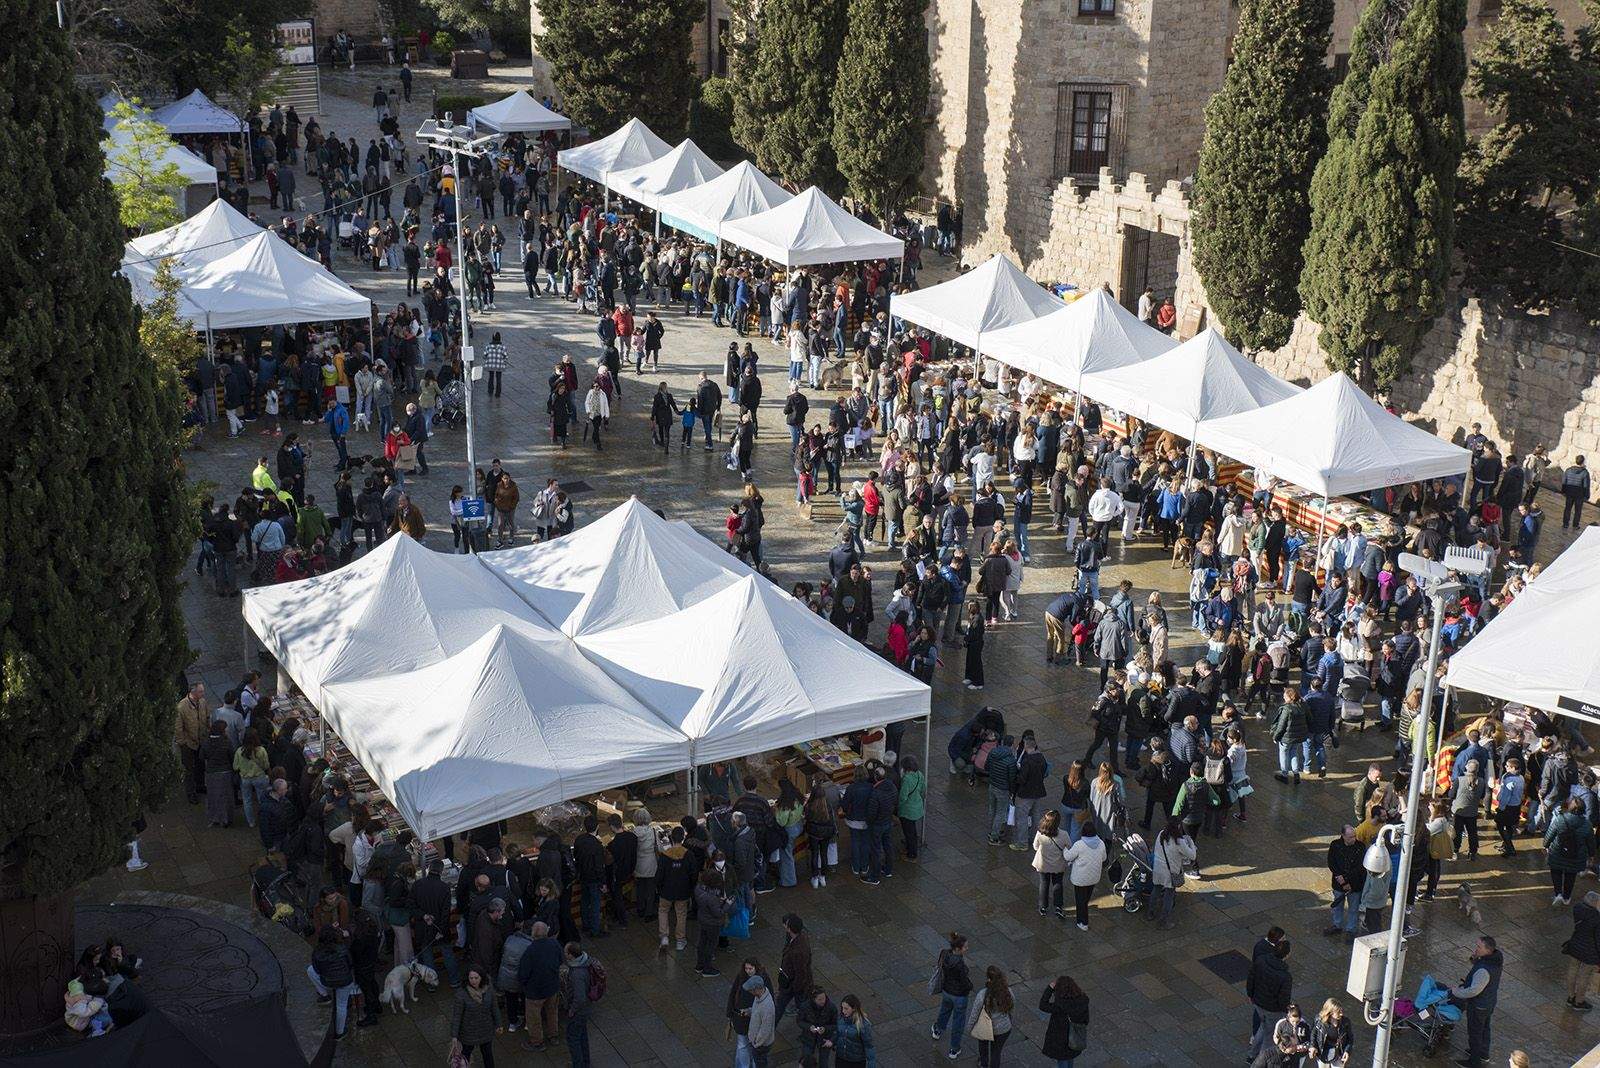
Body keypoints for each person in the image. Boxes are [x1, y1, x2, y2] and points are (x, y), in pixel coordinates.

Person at [1449, 936, 1503, 1068]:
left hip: (1478, 1005)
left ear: (1488, 950)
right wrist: (1476, 959)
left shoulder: (1484, 970)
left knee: (1475, 1033)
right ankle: (1483, 1053)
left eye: (1479, 947)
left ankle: (1474, 1062)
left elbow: (1474, 990)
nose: (1476, 948)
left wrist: (1456, 992)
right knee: (1485, 1028)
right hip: (1489, 1002)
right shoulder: (1495, 959)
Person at [1246, 930, 1293, 1061]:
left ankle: (1251, 1055)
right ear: (1287, 955)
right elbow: (1284, 998)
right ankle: (1260, 1061)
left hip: (1258, 1002)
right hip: (1273, 1009)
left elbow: (1251, 978)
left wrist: (1250, 994)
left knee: (1263, 1027)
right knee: (1269, 1036)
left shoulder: (1261, 960)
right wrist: (1286, 1010)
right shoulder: (1285, 976)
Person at [930, 932, 973, 1059]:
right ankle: (954, 1049)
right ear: (958, 949)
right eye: (965, 947)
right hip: (959, 996)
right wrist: (970, 986)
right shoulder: (960, 965)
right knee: (958, 1022)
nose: (967, 948)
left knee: (944, 1010)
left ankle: (937, 1030)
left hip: (947, 991)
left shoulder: (945, 954)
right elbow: (964, 982)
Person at [964, 965, 1013, 1067]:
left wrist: (970, 1028)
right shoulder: (1008, 992)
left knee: (983, 1048)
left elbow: (975, 1014)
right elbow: (1012, 1007)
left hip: (985, 1026)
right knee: (996, 1053)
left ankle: (983, 1064)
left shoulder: (982, 994)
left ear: (989, 979)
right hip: (1004, 1029)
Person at [1546, 797, 1593, 905]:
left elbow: (1550, 834)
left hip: (1558, 851)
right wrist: (1591, 855)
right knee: (1571, 875)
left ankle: (1558, 894)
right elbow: (1591, 842)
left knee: (1556, 871)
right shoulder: (1587, 824)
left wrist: (1546, 845)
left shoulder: (1560, 819)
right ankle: (1566, 898)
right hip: (1576, 855)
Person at [1062, 824, 1107, 931]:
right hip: (1094, 877)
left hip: (1080, 878)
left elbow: (1068, 857)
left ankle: (1083, 922)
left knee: (1080, 900)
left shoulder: (1079, 845)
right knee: (1085, 898)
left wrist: (1064, 848)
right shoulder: (1101, 843)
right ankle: (1083, 913)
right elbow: (1104, 858)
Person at [1039, 975, 1090, 1067]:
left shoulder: (1059, 1006)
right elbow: (1086, 1019)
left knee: (1063, 1059)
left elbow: (1043, 1005)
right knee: (1070, 1057)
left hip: (1060, 1038)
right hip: (1075, 1035)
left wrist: (1049, 988)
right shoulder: (1083, 1000)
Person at [1562, 892, 1600, 1010]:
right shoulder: (1597, 917)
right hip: (1590, 951)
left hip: (1575, 944)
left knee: (1572, 969)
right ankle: (1579, 1001)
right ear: (1594, 903)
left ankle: (1571, 997)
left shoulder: (1577, 908)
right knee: (1585, 976)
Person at [1032, 809, 1072, 920]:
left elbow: (1035, 847)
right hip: (1058, 865)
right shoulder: (1063, 834)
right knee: (1057, 883)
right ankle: (1058, 906)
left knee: (1044, 884)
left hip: (1043, 865)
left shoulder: (1040, 833)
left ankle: (1043, 907)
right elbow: (1069, 847)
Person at [561, 942, 596, 1067]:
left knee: (573, 1038)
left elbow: (580, 998)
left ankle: (578, 1064)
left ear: (571, 955)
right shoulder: (585, 962)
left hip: (578, 1012)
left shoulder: (577, 974)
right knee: (582, 1036)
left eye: (566, 952)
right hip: (586, 1008)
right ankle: (585, 1063)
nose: (564, 954)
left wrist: (572, 1010)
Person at [798, 987, 838, 1068]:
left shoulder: (831, 1008)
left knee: (823, 1063)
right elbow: (799, 1021)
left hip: (824, 1038)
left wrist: (825, 1029)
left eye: (824, 998)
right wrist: (809, 1027)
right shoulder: (805, 1007)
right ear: (814, 999)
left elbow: (836, 1025)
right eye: (820, 999)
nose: (823, 1001)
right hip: (809, 1038)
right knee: (806, 1062)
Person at [833, 994, 876, 1068]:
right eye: (842, 1008)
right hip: (841, 1058)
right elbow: (837, 1033)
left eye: (846, 1008)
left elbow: (868, 1046)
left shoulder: (863, 1025)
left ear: (854, 1008)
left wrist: (871, 1064)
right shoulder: (840, 1019)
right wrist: (831, 1041)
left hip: (856, 1061)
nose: (843, 1011)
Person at [1311, 998, 1353, 1066]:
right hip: (1323, 1053)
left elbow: (1350, 1038)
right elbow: (1313, 1034)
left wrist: (1347, 1051)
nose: (1341, 1014)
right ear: (1330, 1012)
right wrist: (1313, 1046)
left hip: (1339, 1053)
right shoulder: (1319, 1020)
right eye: (1338, 1012)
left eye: (1341, 1011)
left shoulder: (1345, 1022)